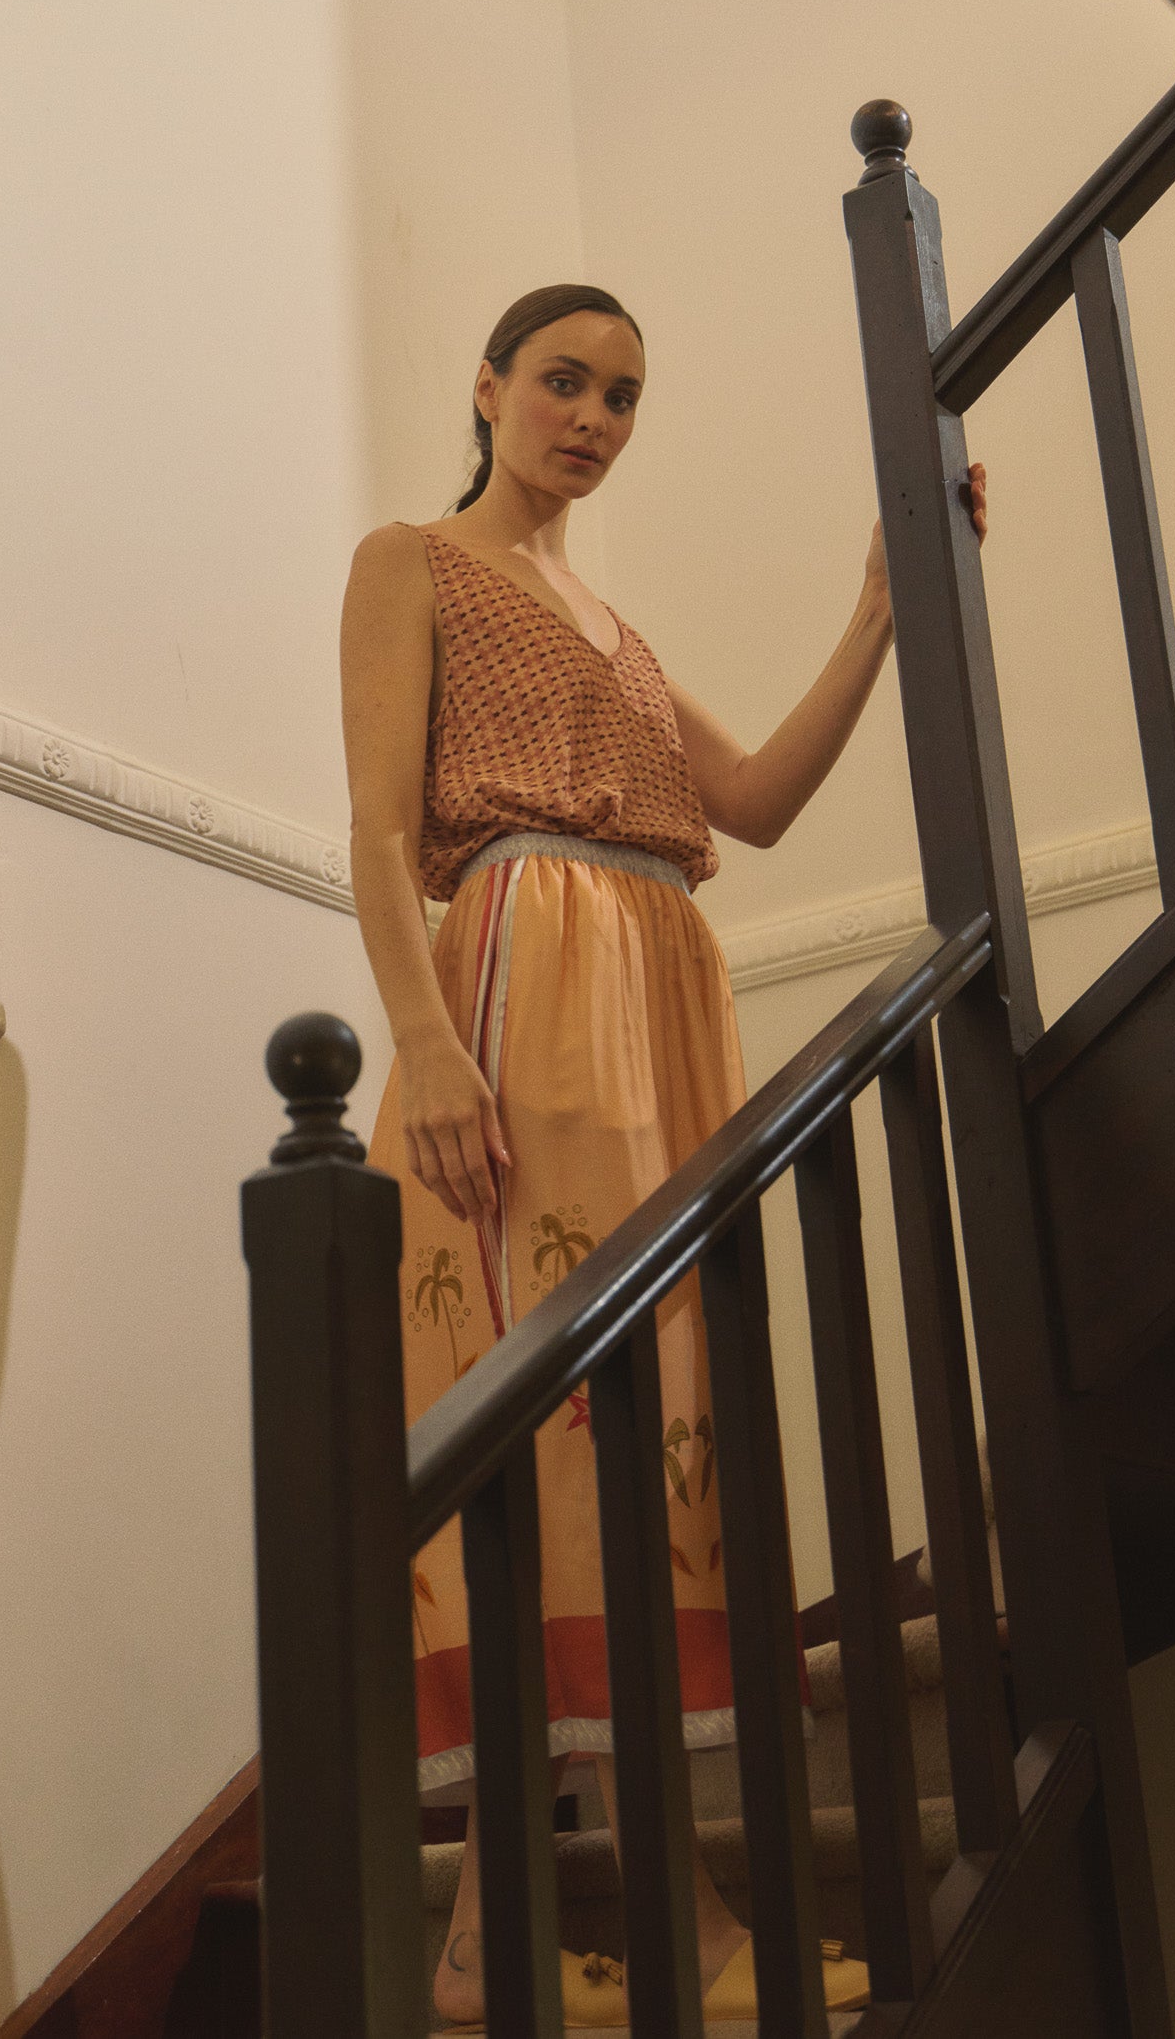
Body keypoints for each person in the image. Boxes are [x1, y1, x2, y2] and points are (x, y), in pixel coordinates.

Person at [340, 284, 986, 2028]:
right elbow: (380, 827)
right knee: (565, 1414)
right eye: (563, 381)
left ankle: (489, 1938)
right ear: (485, 385)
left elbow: (757, 797)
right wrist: (422, 1039)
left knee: (653, 1417)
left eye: (624, 394)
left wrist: (881, 609)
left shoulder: (610, 631)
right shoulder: (411, 560)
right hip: (523, 986)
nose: (594, 417)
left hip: (654, 1000)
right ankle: (679, 1914)